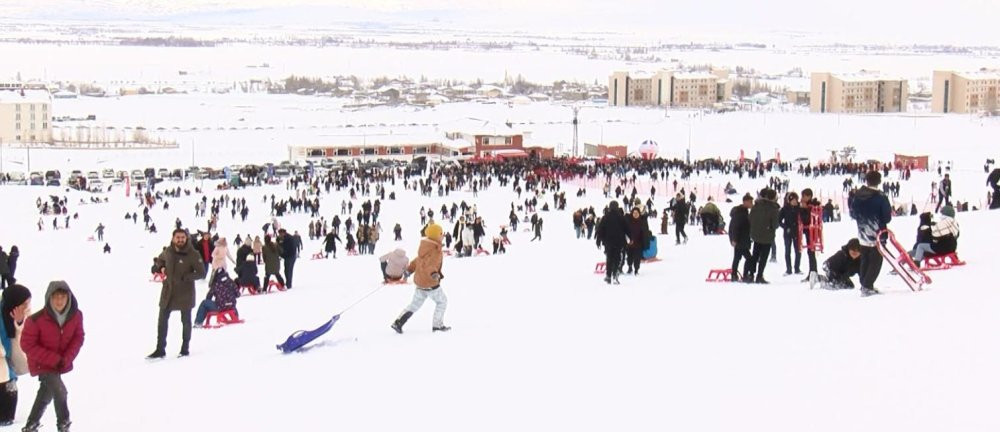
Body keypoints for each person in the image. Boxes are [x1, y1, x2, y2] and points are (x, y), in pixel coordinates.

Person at [20, 281, 84, 432]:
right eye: (55, 297)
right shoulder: (36, 320)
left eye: (63, 297)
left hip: (60, 362)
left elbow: (78, 337)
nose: (59, 301)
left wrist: (67, 358)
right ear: (49, 298)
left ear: (69, 298)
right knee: (60, 390)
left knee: (47, 391)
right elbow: (27, 344)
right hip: (41, 363)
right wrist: (54, 359)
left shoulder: (76, 315)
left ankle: (31, 425)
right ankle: (64, 425)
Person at [148, 229, 207, 359]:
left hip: (185, 293)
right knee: (162, 321)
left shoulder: (193, 254)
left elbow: (202, 272)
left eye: (182, 237)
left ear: (186, 238)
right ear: (173, 238)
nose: (180, 240)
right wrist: (161, 268)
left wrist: (186, 277)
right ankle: (160, 349)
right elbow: (159, 260)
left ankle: (185, 349)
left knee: (185, 322)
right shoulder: (168, 251)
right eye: (178, 237)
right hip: (168, 292)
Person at [391, 223, 449, 333]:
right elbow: (430, 264)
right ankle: (437, 326)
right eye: (441, 234)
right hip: (430, 283)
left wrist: (409, 270)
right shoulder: (435, 250)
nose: (443, 236)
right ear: (436, 235)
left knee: (414, 305)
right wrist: (433, 274)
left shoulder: (425, 247)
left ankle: (398, 322)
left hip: (420, 283)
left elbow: (418, 261)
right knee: (442, 302)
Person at [849, 171, 892, 297]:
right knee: (876, 261)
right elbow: (887, 217)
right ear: (879, 181)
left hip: (862, 233)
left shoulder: (858, 195)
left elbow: (853, 213)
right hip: (877, 235)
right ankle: (867, 286)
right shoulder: (881, 197)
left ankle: (864, 284)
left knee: (865, 259)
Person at [0, 285, 31, 426]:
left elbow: (24, 341)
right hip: (2, 358)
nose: (27, 306)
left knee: (10, 385)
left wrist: (18, 323)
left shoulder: (23, 315)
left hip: (8, 360)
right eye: (24, 304)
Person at [746, 188, 780, 284]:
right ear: (773, 198)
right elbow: (776, 224)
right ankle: (759, 275)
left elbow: (750, 218)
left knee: (755, 255)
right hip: (767, 236)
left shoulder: (756, 206)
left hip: (756, 235)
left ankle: (751, 274)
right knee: (764, 257)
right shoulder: (774, 209)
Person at [595, 201, 630, 285]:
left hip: (608, 242)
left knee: (609, 258)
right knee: (617, 259)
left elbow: (600, 230)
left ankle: (608, 275)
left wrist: (599, 240)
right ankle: (615, 275)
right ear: (617, 207)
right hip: (619, 242)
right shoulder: (621, 217)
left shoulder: (605, 217)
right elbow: (627, 229)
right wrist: (631, 238)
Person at [728, 193, 753, 282]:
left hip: (742, 239)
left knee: (737, 258)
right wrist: (734, 239)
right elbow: (735, 227)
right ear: (745, 202)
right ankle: (745, 275)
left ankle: (734, 275)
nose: (752, 203)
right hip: (740, 240)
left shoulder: (743, 212)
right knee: (749, 258)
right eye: (750, 202)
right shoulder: (740, 213)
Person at [778, 192, 802, 275]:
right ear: (789, 200)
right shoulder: (784, 209)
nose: (795, 202)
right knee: (787, 251)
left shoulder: (799, 208)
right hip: (788, 233)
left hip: (797, 232)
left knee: (798, 251)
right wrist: (785, 227)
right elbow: (779, 221)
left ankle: (797, 268)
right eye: (793, 200)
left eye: (796, 200)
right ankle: (788, 269)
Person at [624, 207, 649, 275]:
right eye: (634, 213)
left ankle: (636, 270)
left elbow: (645, 232)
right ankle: (629, 267)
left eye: (637, 213)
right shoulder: (628, 221)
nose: (635, 214)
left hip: (639, 243)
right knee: (629, 257)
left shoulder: (642, 221)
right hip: (630, 243)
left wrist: (645, 241)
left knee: (637, 258)